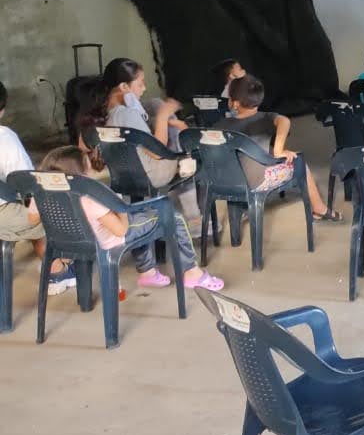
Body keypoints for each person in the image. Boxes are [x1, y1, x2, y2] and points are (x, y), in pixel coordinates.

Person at [33, 146, 225, 291]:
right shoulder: (91, 196)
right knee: (173, 217)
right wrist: (120, 207)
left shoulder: (41, 195)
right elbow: (121, 230)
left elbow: (32, 219)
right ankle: (192, 272)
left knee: (143, 215)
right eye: (87, 160)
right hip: (108, 240)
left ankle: (148, 272)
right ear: (82, 170)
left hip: (75, 242)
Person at [78, 58, 199, 221]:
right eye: (140, 83)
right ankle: (193, 215)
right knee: (190, 156)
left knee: (155, 104)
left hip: (121, 175)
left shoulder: (101, 112)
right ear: (124, 87)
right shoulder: (126, 114)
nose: (144, 88)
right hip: (150, 175)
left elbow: (82, 145)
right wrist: (163, 117)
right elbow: (157, 153)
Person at [215, 75, 342, 222]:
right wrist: (279, 150)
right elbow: (284, 121)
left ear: (234, 103)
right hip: (256, 181)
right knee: (299, 162)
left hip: (222, 181)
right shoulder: (265, 117)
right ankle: (319, 209)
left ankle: (241, 207)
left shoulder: (221, 124)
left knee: (257, 149)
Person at [0, 82, 74, 295]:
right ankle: (59, 271)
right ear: (3, 108)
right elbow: (26, 183)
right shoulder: (4, 137)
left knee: (28, 208)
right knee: (50, 208)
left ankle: (56, 264)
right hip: (3, 215)